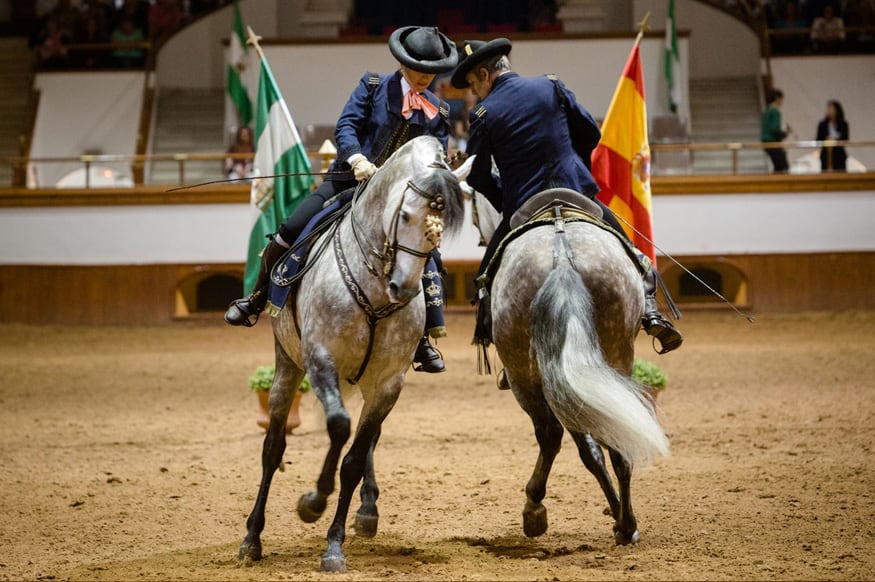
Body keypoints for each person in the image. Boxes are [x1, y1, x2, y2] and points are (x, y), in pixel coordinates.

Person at [225, 26, 459, 373]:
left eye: (431, 71)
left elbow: (434, 150)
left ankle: (423, 339)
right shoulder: (374, 86)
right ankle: (257, 298)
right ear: (403, 62)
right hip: (347, 181)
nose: (426, 76)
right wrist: (356, 158)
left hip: (396, 199)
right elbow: (346, 126)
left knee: (429, 254)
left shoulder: (438, 111)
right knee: (291, 227)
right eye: (419, 69)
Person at [450, 38, 683, 355]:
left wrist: (506, 201)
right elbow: (590, 133)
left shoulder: (482, 112)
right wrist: (577, 173)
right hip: (573, 188)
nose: (474, 93)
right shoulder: (551, 86)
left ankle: (490, 333)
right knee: (628, 247)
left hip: (523, 200)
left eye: (473, 85)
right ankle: (652, 311)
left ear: (484, 74)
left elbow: (477, 175)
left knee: (486, 276)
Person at [761, 88, 790, 173]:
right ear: (777, 98)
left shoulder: (767, 111)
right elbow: (774, 129)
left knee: (778, 166)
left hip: (765, 141)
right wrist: (785, 133)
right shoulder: (775, 111)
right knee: (783, 167)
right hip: (773, 142)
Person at [815, 99, 849, 171]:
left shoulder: (843, 124)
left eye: (831, 109)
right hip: (826, 155)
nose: (829, 111)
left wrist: (836, 139)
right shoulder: (823, 124)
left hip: (839, 155)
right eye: (828, 109)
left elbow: (845, 138)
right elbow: (818, 139)